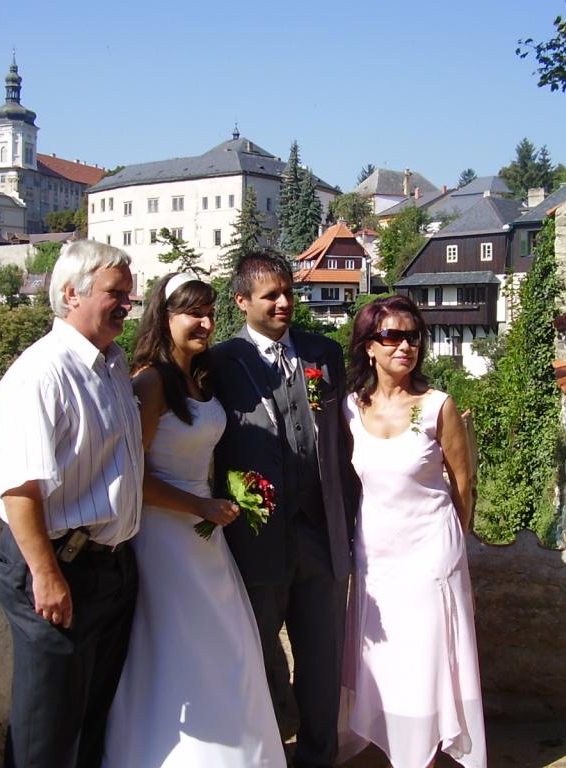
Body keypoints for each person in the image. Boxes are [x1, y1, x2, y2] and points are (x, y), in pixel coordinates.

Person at [101, 272, 285, 768]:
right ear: (164, 317)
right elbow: (131, 478)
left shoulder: (198, 378)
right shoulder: (151, 382)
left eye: (208, 313)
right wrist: (200, 506)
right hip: (163, 538)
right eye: (192, 314)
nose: (205, 323)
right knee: (182, 649)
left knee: (225, 646)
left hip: (204, 537)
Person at [0, 240, 143, 768]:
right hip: (58, 568)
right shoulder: (41, 373)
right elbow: (19, 490)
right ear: (71, 293)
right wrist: (46, 575)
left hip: (109, 567)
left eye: (128, 293)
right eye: (115, 293)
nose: (127, 303)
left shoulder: (112, 364)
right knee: (47, 738)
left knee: (92, 725)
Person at [210, 253, 358, 768]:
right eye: (270, 295)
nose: (283, 303)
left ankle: (319, 757)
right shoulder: (222, 362)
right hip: (254, 540)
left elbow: (344, 439)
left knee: (321, 660)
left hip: (320, 533)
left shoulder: (324, 352)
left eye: (288, 292)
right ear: (241, 301)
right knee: (254, 658)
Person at [341, 295, 486, 768]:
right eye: (393, 336)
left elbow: (462, 482)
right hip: (376, 555)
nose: (406, 346)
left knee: (424, 656)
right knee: (387, 658)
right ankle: (393, 742)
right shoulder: (349, 409)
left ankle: (421, 754)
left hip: (429, 554)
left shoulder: (437, 406)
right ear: (369, 346)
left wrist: (453, 544)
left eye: (413, 337)